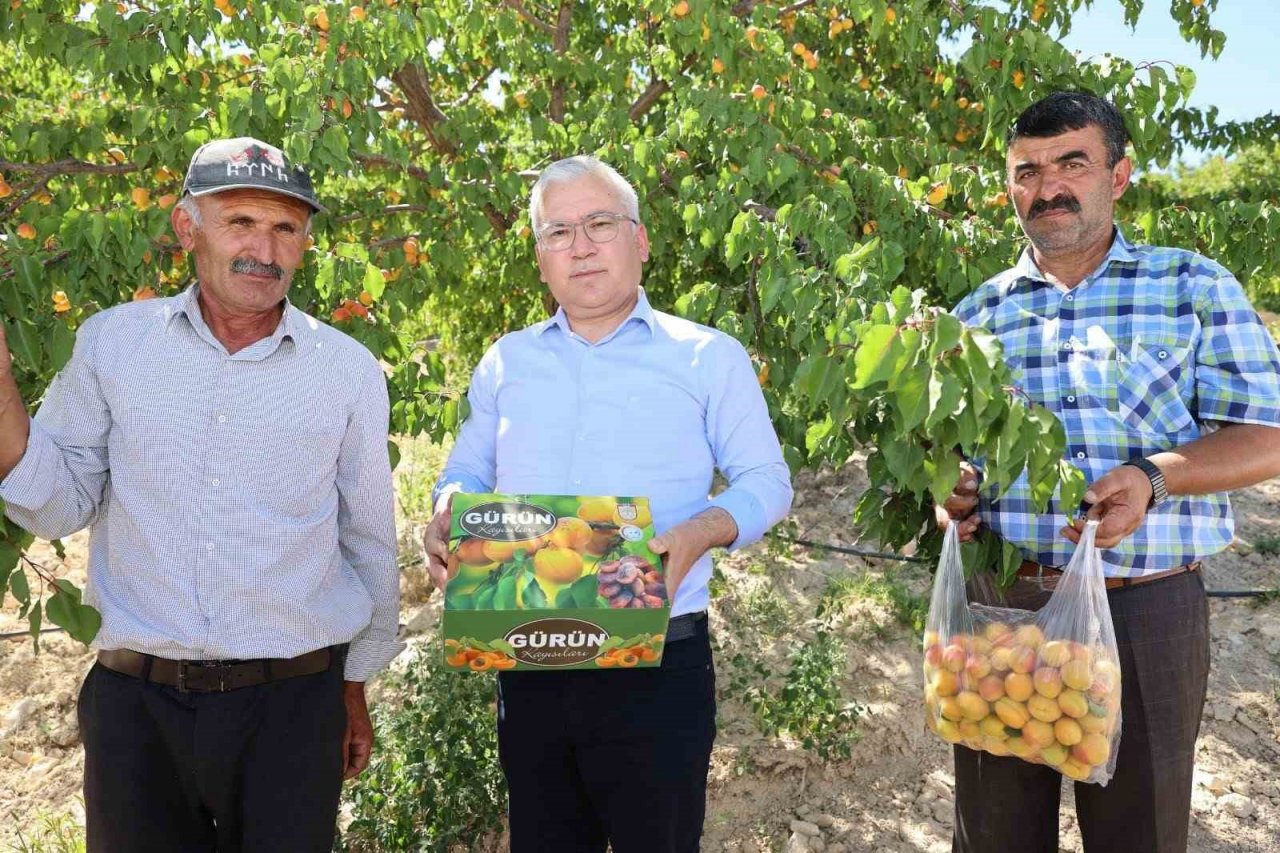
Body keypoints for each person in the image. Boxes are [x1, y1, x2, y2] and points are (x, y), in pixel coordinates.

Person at [0, 137, 403, 852]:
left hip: (292, 708)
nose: (264, 249)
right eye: (240, 222)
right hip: (138, 711)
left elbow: (368, 536)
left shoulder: (347, 370)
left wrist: (356, 685)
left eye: (286, 228)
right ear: (189, 228)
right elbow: (56, 503)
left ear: (305, 242)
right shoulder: (112, 346)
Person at [937, 91, 1280, 852]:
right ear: (1008, 186)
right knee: (994, 832)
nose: (1046, 186)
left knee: (1140, 830)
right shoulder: (975, 315)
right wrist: (948, 492)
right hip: (1007, 602)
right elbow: (948, 457)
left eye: (1072, 163)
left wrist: (1154, 475)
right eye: (1026, 171)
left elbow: (1268, 435)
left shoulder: (1189, 286)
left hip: (1144, 609)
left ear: (1119, 175)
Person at [422, 155, 793, 852]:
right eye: (558, 232)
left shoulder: (707, 356)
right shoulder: (506, 361)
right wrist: (448, 511)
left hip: (655, 656)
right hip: (530, 650)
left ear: (641, 240)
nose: (581, 245)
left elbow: (766, 481)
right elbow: (466, 467)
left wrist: (700, 530)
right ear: (540, 258)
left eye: (600, 223)